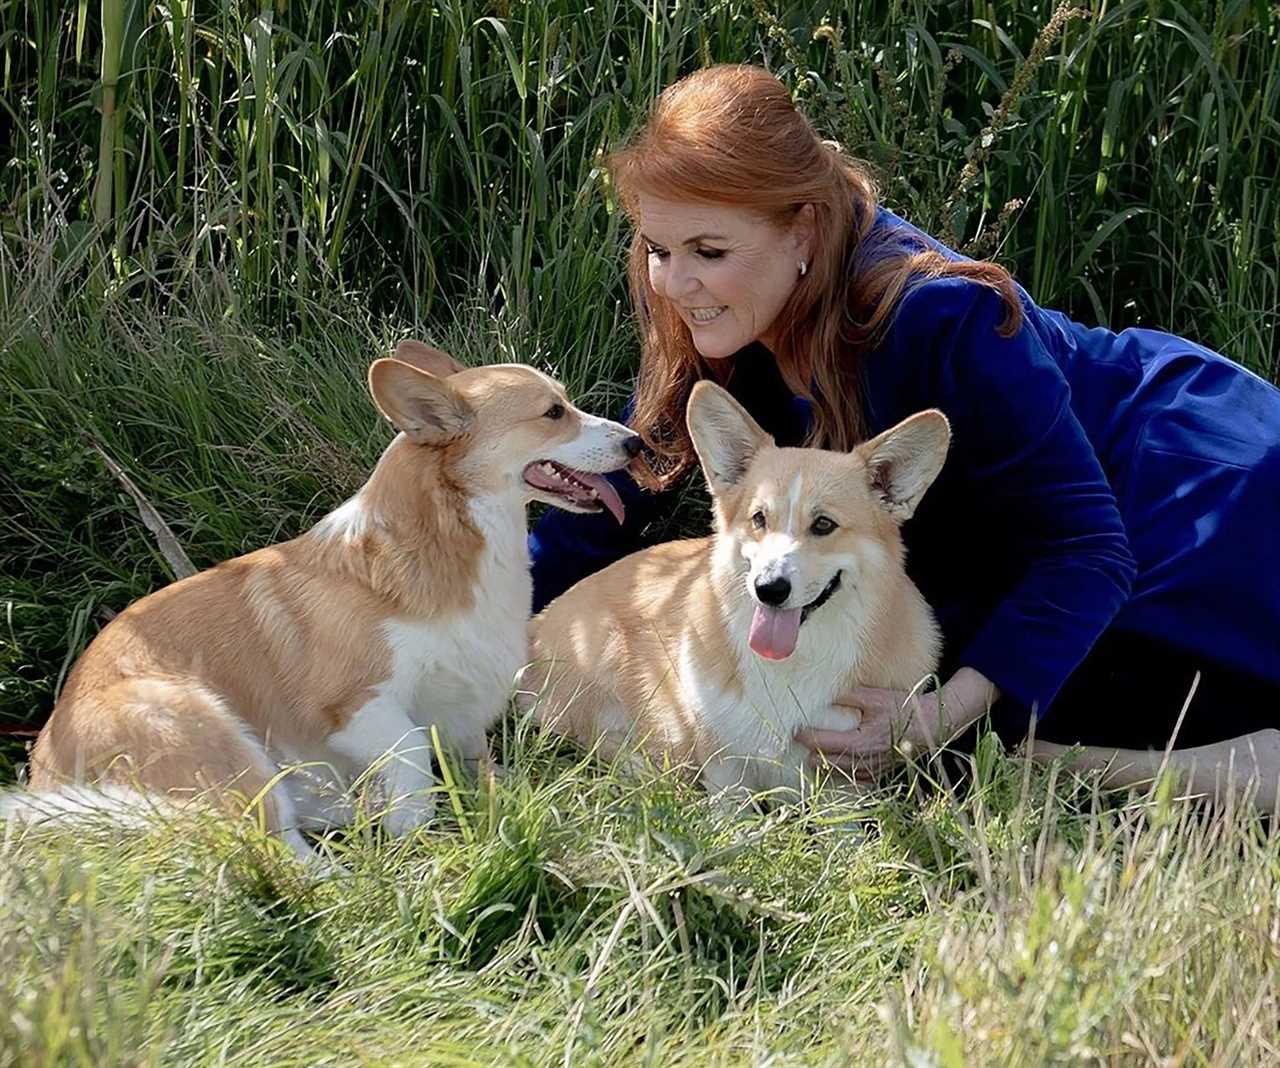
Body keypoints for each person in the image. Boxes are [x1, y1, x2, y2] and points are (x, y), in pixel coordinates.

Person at [528, 64, 1280, 813]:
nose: (673, 282)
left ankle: (1113, 768)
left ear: (804, 229)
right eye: (657, 249)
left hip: (1184, 487)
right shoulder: (716, 313)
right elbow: (631, 493)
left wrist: (936, 718)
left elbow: (1085, 549)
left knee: (1021, 707)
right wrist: (471, 621)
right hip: (1003, 536)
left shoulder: (938, 316)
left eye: (708, 252)